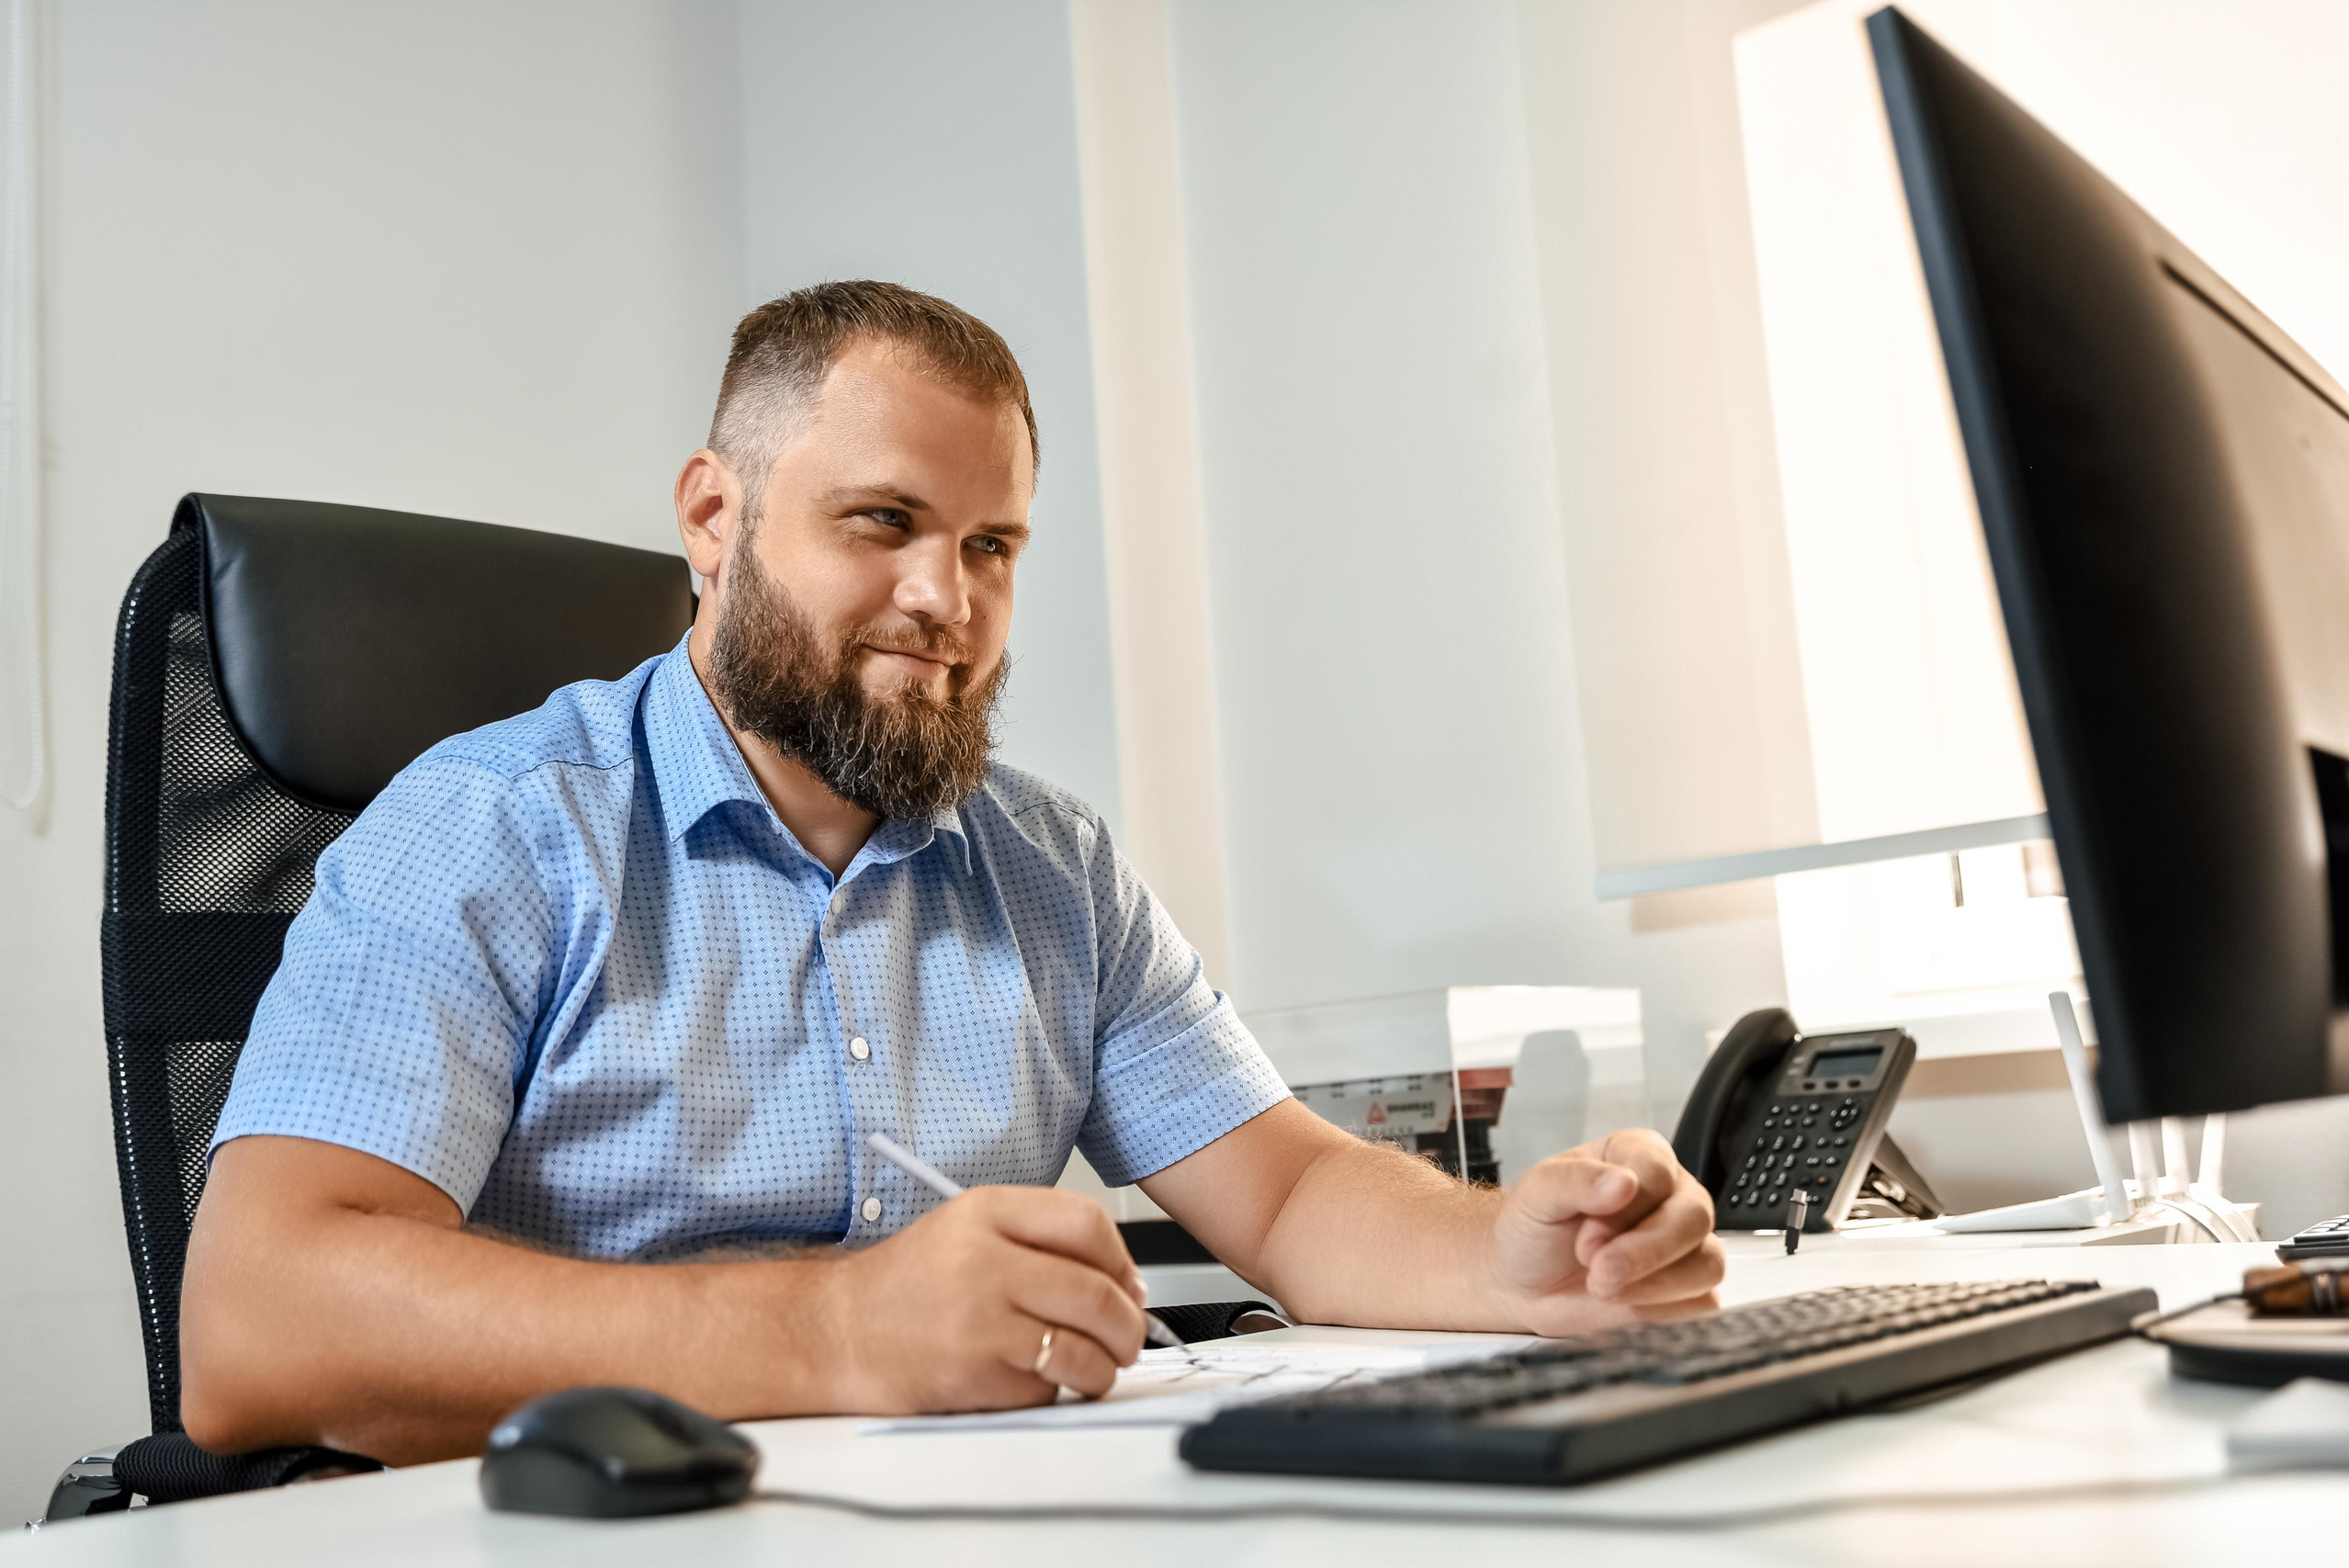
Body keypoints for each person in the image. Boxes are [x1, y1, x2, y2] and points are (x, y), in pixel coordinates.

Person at [179, 281, 1723, 1465]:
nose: (947, 600)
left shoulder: (1051, 866)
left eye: (993, 546)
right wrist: (838, 1331)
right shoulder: (494, 830)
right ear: (715, 519)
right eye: (884, 522)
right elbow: (256, 1322)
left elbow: (1299, 1192)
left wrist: (1523, 1259)